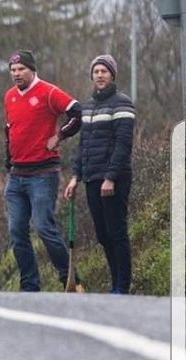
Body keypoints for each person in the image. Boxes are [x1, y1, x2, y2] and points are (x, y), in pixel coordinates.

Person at [2, 50, 82, 292]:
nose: (16, 74)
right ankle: (29, 286)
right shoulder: (9, 97)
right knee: (16, 232)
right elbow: (10, 131)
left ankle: (71, 280)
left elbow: (77, 114)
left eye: (21, 70)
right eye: (13, 70)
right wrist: (9, 161)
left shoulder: (48, 92)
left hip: (43, 174)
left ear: (32, 70)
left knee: (44, 227)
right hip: (17, 176)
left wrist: (59, 135)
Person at [64, 54, 134, 294]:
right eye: (96, 72)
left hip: (114, 179)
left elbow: (123, 145)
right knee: (103, 235)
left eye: (104, 71)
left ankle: (122, 286)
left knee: (116, 231)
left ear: (112, 75)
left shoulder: (122, 103)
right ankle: (116, 282)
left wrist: (111, 177)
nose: (100, 75)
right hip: (92, 178)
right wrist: (76, 176)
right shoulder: (87, 107)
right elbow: (83, 145)